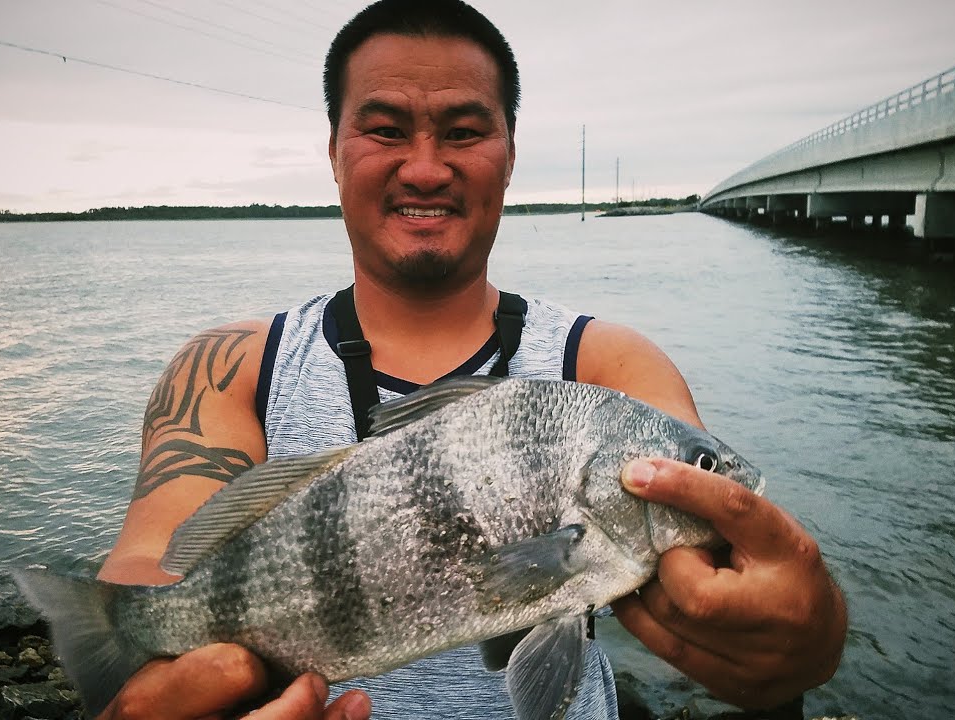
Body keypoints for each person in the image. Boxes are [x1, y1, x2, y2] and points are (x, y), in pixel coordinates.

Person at [95, 1, 847, 718]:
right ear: (333, 150)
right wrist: (135, 678)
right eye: (386, 129)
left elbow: (721, 573)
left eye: (462, 131)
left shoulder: (605, 363)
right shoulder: (231, 368)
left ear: (510, 155)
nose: (424, 169)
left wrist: (808, 636)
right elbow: (151, 562)